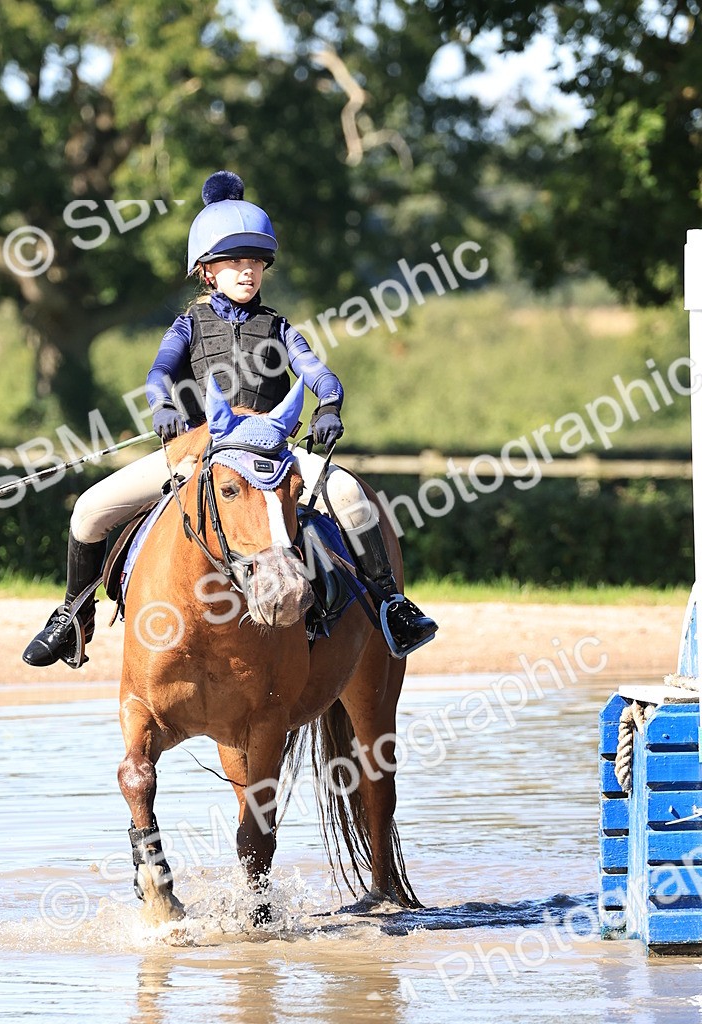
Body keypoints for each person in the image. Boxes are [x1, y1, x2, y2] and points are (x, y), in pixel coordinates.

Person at [22, 171, 436, 669]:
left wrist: (328, 405)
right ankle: (73, 618)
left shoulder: (279, 327)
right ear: (207, 270)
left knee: (349, 494)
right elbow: (158, 375)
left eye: (256, 263)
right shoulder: (187, 324)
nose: (248, 273)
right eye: (234, 262)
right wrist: (166, 407)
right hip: (201, 449)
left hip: (270, 454)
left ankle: (392, 606)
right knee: (88, 510)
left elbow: (320, 375)